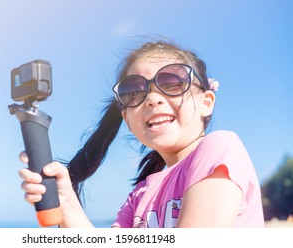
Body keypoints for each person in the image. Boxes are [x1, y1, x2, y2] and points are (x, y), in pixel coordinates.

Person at [18, 39, 264, 228]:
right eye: (134, 92)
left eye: (172, 83)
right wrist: (66, 201)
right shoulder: (139, 195)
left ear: (206, 102)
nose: (153, 98)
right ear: (126, 118)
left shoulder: (220, 148)